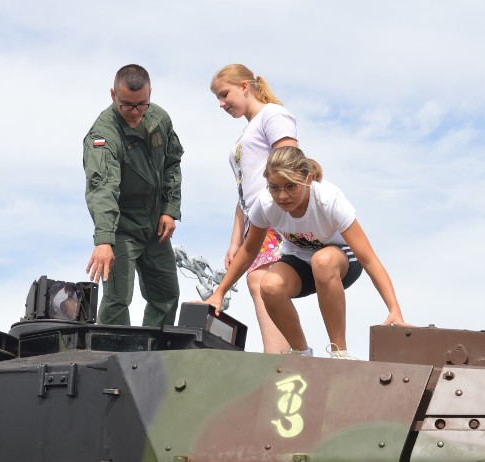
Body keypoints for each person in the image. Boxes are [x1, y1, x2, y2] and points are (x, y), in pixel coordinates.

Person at [204, 146, 406, 358]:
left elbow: (369, 259)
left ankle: (339, 353)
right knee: (269, 285)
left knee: (323, 260)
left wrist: (394, 310)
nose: (282, 196)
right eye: (274, 187)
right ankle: (301, 353)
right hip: (299, 261)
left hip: (341, 261)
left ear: (308, 179)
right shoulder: (266, 204)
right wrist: (219, 293)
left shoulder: (329, 199)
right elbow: (248, 251)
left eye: (291, 186)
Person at [83, 64, 184, 326]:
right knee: (118, 299)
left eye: (142, 105)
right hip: (122, 228)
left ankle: (157, 358)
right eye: (127, 105)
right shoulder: (103, 136)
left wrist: (170, 209)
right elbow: (102, 188)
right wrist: (104, 239)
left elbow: (172, 163)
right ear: (113, 95)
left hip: (155, 228)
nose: (135, 112)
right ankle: (114, 358)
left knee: (167, 295)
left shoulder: (159, 119)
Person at [210, 64, 298, 353]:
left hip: (276, 213)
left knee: (264, 281)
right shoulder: (248, 131)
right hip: (256, 218)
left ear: (245, 86)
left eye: (225, 94)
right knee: (259, 281)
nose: (222, 104)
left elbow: (289, 162)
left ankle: (280, 359)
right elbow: (243, 192)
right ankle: (281, 357)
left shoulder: (273, 115)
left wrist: (280, 205)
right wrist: (236, 239)